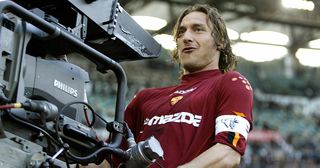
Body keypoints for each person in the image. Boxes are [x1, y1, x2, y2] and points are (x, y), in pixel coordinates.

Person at [123, 3, 253, 168]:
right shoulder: (144, 97)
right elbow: (108, 160)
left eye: (198, 29)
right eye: (181, 32)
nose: (186, 37)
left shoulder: (231, 83)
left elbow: (227, 154)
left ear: (220, 41)